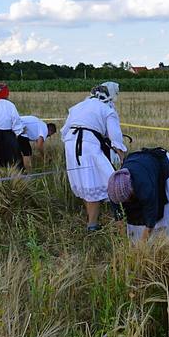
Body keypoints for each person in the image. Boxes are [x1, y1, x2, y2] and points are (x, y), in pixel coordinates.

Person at [61, 82, 127, 232]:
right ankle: (119, 225)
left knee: (86, 183)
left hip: (71, 144)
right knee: (111, 182)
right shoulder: (106, 109)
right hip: (88, 145)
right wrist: (123, 157)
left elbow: (64, 132)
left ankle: (92, 223)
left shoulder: (78, 106)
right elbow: (115, 137)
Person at [107, 147, 169, 244]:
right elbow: (118, 216)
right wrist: (124, 242)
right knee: (134, 235)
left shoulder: (144, 186)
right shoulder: (113, 189)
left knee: (164, 218)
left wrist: (142, 247)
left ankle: (163, 241)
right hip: (140, 164)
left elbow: (151, 216)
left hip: (160, 166)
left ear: (132, 191)